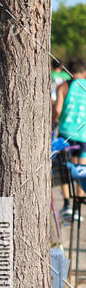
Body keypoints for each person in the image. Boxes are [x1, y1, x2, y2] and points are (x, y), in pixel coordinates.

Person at [53, 57, 86, 217]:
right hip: (84, 135)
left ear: (68, 71)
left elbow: (57, 110)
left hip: (65, 133)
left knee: (64, 168)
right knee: (82, 170)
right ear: (84, 72)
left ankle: (67, 205)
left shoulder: (64, 86)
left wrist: (51, 122)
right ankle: (78, 208)